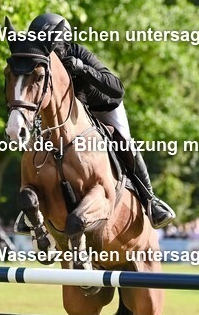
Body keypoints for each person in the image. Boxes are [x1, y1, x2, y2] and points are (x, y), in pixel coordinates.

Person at [25, 12, 176, 229]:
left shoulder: (77, 52)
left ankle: (150, 200)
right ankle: (33, 207)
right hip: (71, 116)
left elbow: (117, 88)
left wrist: (83, 69)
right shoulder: (40, 63)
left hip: (104, 107)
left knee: (123, 142)